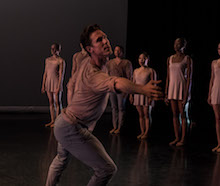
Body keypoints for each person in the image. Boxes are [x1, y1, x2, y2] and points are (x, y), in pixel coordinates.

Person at [45, 24, 163, 186]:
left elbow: (71, 84)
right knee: (107, 169)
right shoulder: (93, 74)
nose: (106, 41)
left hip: (65, 121)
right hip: (71, 127)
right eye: (99, 40)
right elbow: (116, 82)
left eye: (105, 37)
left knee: (61, 159)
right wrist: (142, 89)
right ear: (90, 49)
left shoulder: (90, 61)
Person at [165, 38, 192, 146]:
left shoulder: (187, 59)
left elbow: (189, 78)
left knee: (183, 115)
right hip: (172, 89)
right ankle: (177, 137)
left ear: (183, 45)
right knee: (174, 114)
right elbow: (168, 77)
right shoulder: (170, 59)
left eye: (178, 43)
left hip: (182, 89)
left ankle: (183, 138)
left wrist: (187, 94)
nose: (176, 45)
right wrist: (166, 92)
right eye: (175, 43)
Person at [106, 45, 133, 134]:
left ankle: (119, 127)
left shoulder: (126, 63)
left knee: (121, 107)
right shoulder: (110, 63)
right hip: (112, 87)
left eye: (119, 50)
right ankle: (114, 126)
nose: (117, 52)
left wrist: (128, 90)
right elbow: (107, 75)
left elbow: (129, 77)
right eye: (116, 50)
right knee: (114, 107)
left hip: (122, 88)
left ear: (122, 52)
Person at [129, 52, 157, 139]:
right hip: (138, 94)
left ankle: (146, 132)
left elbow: (154, 85)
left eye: (144, 58)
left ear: (147, 59)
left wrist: (151, 96)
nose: (141, 60)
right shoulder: (136, 71)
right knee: (140, 114)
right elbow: (133, 84)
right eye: (140, 58)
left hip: (147, 94)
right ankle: (142, 131)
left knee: (146, 114)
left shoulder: (151, 71)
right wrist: (131, 95)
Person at [41, 43, 65, 128]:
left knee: (57, 102)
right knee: (51, 102)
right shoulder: (47, 60)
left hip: (56, 83)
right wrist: (43, 85)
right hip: (49, 82)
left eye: (55, 49)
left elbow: (61, 75)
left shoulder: (61, 61)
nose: (53, 51)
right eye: (52, 49)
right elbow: (45, 73)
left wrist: (59, 86)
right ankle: (52, 120)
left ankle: (58, 121)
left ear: (59, 50)